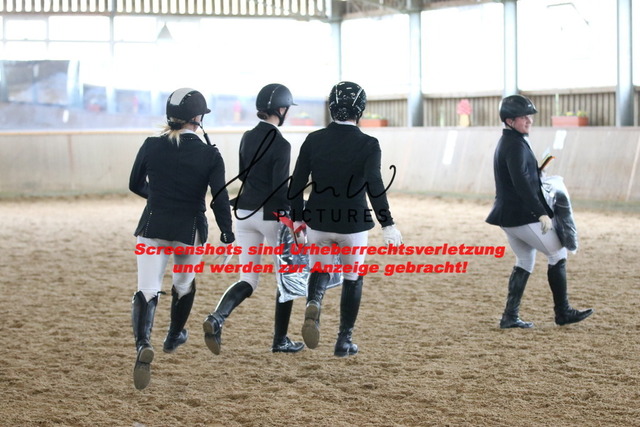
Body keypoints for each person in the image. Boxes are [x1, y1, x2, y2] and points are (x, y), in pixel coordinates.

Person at [129, 88, 234, 390]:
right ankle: (174, 335)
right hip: (190, 231)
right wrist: (227, 234)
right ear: (198, 117)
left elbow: (135, 184)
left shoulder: (151, 145)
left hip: (152, 227)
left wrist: (160, 198)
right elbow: (219, 198)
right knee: (184, 284)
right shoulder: (210, 154)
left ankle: (142, 344)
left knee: (146, 290)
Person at [288, 81, 403, 357]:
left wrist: (297, 220)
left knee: (319, 269)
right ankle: (344, 341)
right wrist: (387, 223)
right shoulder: (369, 144)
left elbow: (297, 183)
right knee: (353, 278)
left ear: (332, 107)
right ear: (359, 110)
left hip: (318, 222)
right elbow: (375, 184)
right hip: (353, 224)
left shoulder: (314, 140)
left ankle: (314, 301)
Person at [202, 83, 304, 355]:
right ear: (280, 109)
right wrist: (295, 216)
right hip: (271, 215)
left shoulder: (247, 137)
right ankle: (280, 340)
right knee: (287, 278)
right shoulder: (281, 144)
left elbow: (243, 175)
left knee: (248, 277)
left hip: (244, 213)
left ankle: (217, 317)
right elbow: (280, 189)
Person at [486, 94, 593, 329]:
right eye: (523, 117)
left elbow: (523, 176)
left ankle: (509, 317)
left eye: (529, 116)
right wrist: (540, 213)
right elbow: (521, 183)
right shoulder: (514, 145)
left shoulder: (513, 140)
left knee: (525, 260)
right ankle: (563, 312)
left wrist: (538, 172)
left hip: (509, 215)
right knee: (558, 254)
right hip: (521, 215)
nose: (529, 120)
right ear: (510, 120)